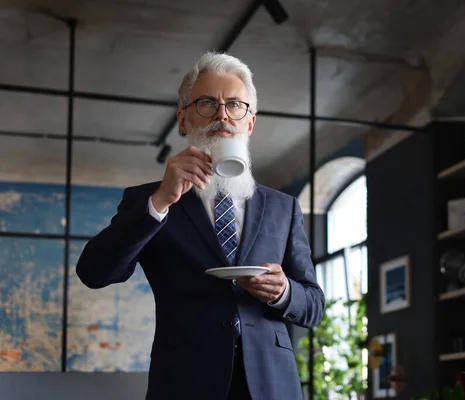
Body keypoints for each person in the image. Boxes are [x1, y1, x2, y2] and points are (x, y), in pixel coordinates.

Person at [76, 51, 325, 400]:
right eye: (207, 103)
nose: (222, 114)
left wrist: (284, 292)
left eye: (235, 104)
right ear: (182, 121)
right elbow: (94, 272)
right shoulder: (147, 200)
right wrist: (162, 199)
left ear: (249, 123)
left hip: (272, 384)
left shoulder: (283, 207)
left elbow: (313, 305)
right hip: (184, 381)